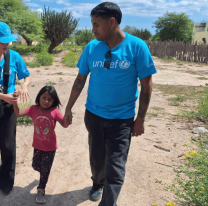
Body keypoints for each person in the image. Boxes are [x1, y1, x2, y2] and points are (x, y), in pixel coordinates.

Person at [64, 2, 157, 206]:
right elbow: (81, 79)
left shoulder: (137, 47)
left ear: (112, 22)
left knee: (115, 166)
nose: (93, 29)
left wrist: (140, 119)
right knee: (97, 159)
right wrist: (69, 107)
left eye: (96, 24)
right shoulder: (91, 47)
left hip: (121, 120)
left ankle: (108, 202)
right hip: (94, 116)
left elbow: (147, 86)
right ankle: (97, 183)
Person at [13, 85, 71, 204]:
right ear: (39, 97)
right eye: (44, 98)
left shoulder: (54, 112)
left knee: (45, 170)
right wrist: (14, 102)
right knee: (36, 166)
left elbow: (64, 125)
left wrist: (68, 120)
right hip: (37, 146)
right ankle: (43, 174)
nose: (46, 101)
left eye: (50, 99)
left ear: (53, 101)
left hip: (50, 148)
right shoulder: (33, 109)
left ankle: (41, 189)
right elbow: (18, 114)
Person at [0, 22, 31, 195]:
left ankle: (6, 179)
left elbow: (27, 76)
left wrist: (24, 85)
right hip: (3, 98)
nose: (6, 44)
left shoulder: (14, 56)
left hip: (8, 107)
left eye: (8, 41)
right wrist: (2, 95)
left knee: (8, 145)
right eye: (2, 41)